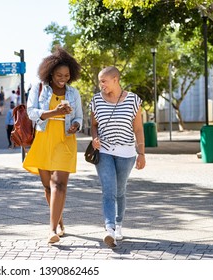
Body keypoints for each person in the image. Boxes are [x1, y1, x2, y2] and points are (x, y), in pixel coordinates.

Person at [22, 47, 82, 244]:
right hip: (44, 138)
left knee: (60, 184)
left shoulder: (74, 93)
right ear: (50, 73)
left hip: (65, 140)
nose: (62, 78)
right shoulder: (38, 88)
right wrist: (54, 112)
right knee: (48, 187)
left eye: (66, 75)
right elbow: (31, 112)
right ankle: (59, 220)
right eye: (58, 75)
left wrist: (75, 125)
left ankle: (52, 230)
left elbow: (79, 117)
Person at [89, 66, 146, 248]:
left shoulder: (133, 100)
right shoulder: (96, 100)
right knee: (108, 191)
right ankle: (110, 229)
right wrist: (94, 139)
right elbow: (94, 125)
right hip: (104, 151)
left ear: (115, 79)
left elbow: (138, 129)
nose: (101, 85)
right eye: (100, 81)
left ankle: (119, 224)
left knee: (120, 191)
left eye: (104, 81)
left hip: (127, 153)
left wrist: (142, 153)